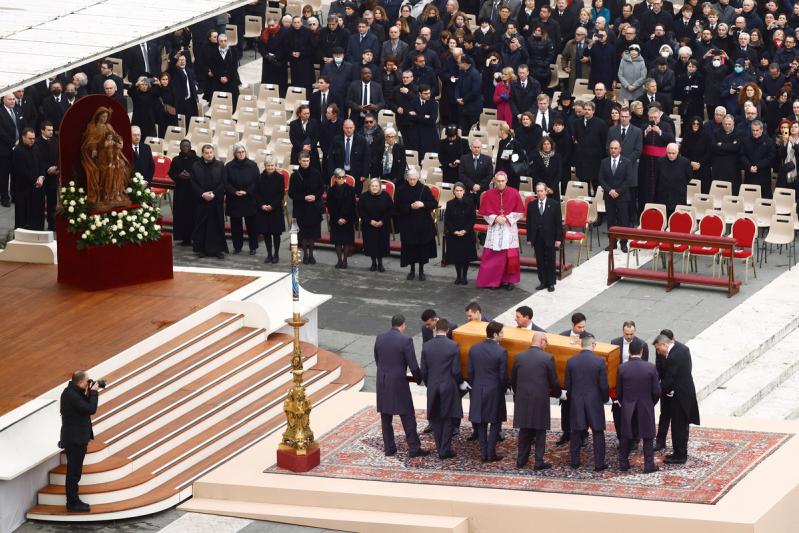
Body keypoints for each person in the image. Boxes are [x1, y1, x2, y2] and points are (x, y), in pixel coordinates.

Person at [374, 314, 428, 457]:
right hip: (398, 383)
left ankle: (389, 448)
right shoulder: (405, 340)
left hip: (382, 382)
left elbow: (377, 359)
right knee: (407, 415)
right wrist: (419, 379)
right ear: (402, 325)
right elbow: (413, 363)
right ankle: (414, 448)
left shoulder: (380, 337)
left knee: (386, 417)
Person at [512, 332, 560, 470]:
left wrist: (518, 394)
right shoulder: (548, 358)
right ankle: (538, 462)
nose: (547, 346)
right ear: (542, 342)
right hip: (540, 399)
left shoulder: (519, 357)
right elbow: (553, 380)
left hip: (523, 398)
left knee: (524, 429)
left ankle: (521, 460)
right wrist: (558, 394)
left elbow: (514, 379)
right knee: (540, 431)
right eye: (547, 343)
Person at [420, 318, 464, 459]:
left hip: (433, 386)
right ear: (448, 330)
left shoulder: (426, 346)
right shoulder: (453, 346)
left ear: (435, 328)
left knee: (436, 418)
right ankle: (444, 450)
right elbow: (456, 371)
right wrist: (460, 383)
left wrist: (429, 384)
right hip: (448, 386)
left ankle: (440, 448)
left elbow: (424, 371)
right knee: (448, 418)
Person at [653, 333, 700, 464]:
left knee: (678, 426)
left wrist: (656, 390)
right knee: (682, 426)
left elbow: (669, 379)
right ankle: (680, 452)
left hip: (679, 397)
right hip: (686, 392)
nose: (658, 352)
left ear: (664, 344)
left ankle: (680, 455)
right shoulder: (682, 348)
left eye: (658, 348)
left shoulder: (673, 357)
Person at [564, 334, 609, 471]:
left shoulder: (571, 361)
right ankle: (599, 464)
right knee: (598, 432)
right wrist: (604, 398)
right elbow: (603, 385)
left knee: (576, 432)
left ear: (581, 345)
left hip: (577, 401)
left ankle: (575, 462)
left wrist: (573, 397)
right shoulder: (599, 362)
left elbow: (568, 385)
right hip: (594, 402)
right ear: (593, 345)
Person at [617, 338, 661, 473]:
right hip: (645, 405)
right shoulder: (650, 367)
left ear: (629, 352)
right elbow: (656, 391)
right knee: (647, 436)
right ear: (642, 351)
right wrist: (650, 403)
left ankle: (623, 462)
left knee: (626, 435)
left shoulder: (622, 368)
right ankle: (649, 465)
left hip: (628, 406)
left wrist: (624, 402)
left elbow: (619, 391)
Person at [476, 172, 525, 290]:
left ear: (506, 180)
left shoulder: (514, 193)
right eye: (498, 181)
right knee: (493, 256)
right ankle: (493, 281)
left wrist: (507, 218)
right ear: (494, 181)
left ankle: (509, 281)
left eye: (503, 181)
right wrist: (495, 218)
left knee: (510, 257)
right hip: (495, 228)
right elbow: (485, 213)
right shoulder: (488, 194)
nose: (501, 183)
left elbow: (520, 212)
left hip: (509, 228)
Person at [59, 371, 100, 513]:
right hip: (75, 440)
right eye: (87, 381)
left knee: (74, 472)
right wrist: (94, 392)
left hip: (76, 438)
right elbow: (90, 409)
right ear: (81, 382)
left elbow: (84, 406)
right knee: (74, 473)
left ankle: (74, 500)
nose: (89, 383)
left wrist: (88, 391)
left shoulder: (72, 391)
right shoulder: (72, 395)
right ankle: (72, 503)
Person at [468, 321, 508, 462]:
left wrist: (476, 385)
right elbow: (503, 376)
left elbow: (470, 372)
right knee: (495, 423)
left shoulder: (474, 348)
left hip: (478, 389)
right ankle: (491, 453)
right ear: (495, 334)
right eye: (502, 333)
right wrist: (504, 389)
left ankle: (484, 453)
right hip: (495, 391)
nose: (503, 336)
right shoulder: (501, 351)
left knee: (481, 423)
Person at [610, 320, 650, 443]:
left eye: (631, 334)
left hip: (635, 385)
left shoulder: (642, 345)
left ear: (635, 331)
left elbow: (643, 366)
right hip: (619, 383)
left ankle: (635, 438)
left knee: (635, 412)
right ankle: (620, 437)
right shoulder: (614, 343)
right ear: (623, 331)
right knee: (618, 411)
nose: (629, 337)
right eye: (626, 334)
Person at [396, 168, 437, 280]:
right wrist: (410, 206)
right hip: (408, 224)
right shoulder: (401, 190)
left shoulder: (425, 188)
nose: (412, 181)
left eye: (414, 179)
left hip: (423, 224)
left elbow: (434, 203)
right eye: (410, 179)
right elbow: (397, 207)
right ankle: (412, 270)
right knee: (410, 248)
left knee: (422, 249)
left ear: (418, 178)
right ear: (407, 178)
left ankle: (421, 271)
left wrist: (422, 204)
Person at [598, 140, 636, 252]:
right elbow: (601, 178)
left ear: (620, 149)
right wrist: (610, 190)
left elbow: (628, 179)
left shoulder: (627, 162)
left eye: (615, 148)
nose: (613, 150)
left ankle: (623, 243)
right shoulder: (604, 162)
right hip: (609, 196)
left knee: (624, 220)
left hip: (622, 196)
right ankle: (612, 243)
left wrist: (618, 191)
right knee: (611, 220)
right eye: (611, 148)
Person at [191, 144, 227, 259]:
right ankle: (202, 249)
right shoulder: (196, 165)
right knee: (202, 225)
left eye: (211, 152)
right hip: (201, 200)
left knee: (217, 224)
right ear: (202, 154)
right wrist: (202, 194)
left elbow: (223, 182)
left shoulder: (220, 165)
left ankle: (218, 250)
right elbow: (193, 182)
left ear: (213, 153)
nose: (209, 155)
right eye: (206, 153)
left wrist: (214, 194)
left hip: (216, 200)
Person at [289, 151, 325, 264]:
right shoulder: (294, 176)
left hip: (313, 207)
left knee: (312, 234)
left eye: (307, 161)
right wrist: (304, 197)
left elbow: (321, 188)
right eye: (303, 161)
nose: (305, 163)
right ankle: (305, 255)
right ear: (299, 161)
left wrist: (315, 196)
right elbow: (291, 193)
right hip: (301, 208)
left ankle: (311, 255)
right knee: (303, 234)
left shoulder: (316, 173)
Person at [526, 182, 563, 292]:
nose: (540, 193)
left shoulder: (554, 204)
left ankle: (551, 283)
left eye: (542, 191)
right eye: (538, 191)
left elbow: (558, 224)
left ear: (546, 191)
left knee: (550, 260)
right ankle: (543, 281)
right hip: (537, 237)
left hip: (550, 237)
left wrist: (558, 239)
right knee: (540, 260)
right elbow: (529, 223)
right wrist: (529, 238)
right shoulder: (532, 205)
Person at [638, 105, 675, 212]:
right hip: (646, 161)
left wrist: (660, 132)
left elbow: (671, 138)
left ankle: (660, 211)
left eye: (655, 117)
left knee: (660, 185)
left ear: (659, 117)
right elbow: (638, 139)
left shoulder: (666, 125)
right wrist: (645, 132)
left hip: (661, 161)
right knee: (646, 185)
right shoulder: (644, 126)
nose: (653, 120)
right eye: (651, 118)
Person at [224, 144, 259, 255]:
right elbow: (226, 182)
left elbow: (256, 181)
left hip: (249, 199)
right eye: (238, 152)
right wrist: (234, 191)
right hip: (234, 198)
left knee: (251, 225)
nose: (241, 154)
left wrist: (247, 191)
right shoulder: (228, 166)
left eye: (243, 151)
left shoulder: (253, 165)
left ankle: (253, 247)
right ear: (234, 153)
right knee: (235, 225)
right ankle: (237, 247)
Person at [444, 182, 478, 285]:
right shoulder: (449, 203)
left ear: (464, 191)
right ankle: (458, 276)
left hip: (466, 233)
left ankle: (464, 276)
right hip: (454, 233)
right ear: (453, 191)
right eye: (457, 190)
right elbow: (447, 219)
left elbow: (472, 218)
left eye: (461, 190)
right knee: (456, 256)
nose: (459, 193)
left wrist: (465, 230)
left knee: (465, 256)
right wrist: (454, 231)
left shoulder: (470, 202)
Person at [168, 139, 200, 246]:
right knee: (181, 214)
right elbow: (171, 173)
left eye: (187, 145)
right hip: (181, 191)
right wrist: (179, 176)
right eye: (183, 146)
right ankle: (184, 238)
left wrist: (190, 176)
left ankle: (195, 237)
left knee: (193, 214)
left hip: (193, 191)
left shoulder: (197, 160)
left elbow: (201, 174)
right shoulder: (176, 160)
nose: (185, 147)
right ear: (180, 147)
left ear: (190, 147)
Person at [12, 128, 45, 230]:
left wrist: (41, 177)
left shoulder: (36, 148)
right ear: (23, 137)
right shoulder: (18, 151)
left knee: (36, 215)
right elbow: (21, 170)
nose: (32, 141)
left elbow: (41, 164)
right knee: (23, 216)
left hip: (36, 188)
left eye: (34, 138)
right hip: (23, 189)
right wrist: (35, 180)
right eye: (30, 138)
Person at [255, 157, 286, 264]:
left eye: (272, 165)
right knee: (266, 233)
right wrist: (262, 205)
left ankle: (276, 254)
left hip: (275, 209)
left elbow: (280, 194)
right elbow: (257, 194)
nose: (270, 167)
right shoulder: (259, 177)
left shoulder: (280, 178)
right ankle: (269, 254)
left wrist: (272, 206)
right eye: (268, 165)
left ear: (275, 166)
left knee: (276, 234)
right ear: (265, 166)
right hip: (263, 209)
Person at [359, 178, 393, 272]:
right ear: (369, 187)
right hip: (369, 225)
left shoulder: (386, 195)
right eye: (372, 186)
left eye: (376, 186)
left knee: (381, 245)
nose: (374, 188)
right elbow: (361, 211)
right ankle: (373, 263)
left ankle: (380, 263)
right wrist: (370, 221)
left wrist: (382, 221)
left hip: (382, 225)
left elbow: (390, 210)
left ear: (380, 187)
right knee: (371, 245)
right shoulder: (364, 196)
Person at [574, 101, 608, 194]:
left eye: (589, 109)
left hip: (596, 160)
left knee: (597, 184)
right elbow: (576, 138)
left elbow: (604, 141)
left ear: (593, 111)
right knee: (583, 186)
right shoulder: (577, 123)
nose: (587, 111)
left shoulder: (600, 123)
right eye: (585, 109)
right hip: (582, 160)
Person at [328, 169, 357, 268]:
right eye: (339, 177)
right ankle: (339, 260)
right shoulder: (331, 190)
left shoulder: (350, 189)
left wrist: (345, 218)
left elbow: (352, 206)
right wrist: (337, 218)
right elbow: (330, 206)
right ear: (335, 178)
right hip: (336, 219)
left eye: (343, 177)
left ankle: (345, 260)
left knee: (346, 241)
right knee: (337, 241)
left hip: (347, 219)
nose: (342, 179)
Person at [327, 120, 371, 187]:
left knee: (355, 195)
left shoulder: (361, 140)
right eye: (347, 128)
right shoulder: (336, 140)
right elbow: (331, 158)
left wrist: (364, 174)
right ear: (343, 128)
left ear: (354, 127)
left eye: (351, 128)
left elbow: (366, 158)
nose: (349, 130)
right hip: (339, 174)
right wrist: (332, 174)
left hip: (357, 174)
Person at [740, 120, 776, 199]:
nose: (755, 132)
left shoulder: (769, 141)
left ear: (762, 130)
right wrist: (749, 166)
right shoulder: (746, 140)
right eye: (753, 130)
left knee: (765, 200)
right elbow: (742, 155)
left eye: (757, 130)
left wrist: (758, 166)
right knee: (748, 200)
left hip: (764, 175)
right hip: (750, 175)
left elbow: (770, 157)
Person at [655, 143, 692, 218]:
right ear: (666, 151)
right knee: (663, 217)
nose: (671, 155)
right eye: (669, 153)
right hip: (663, 195)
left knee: (677, 218)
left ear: (678, 152)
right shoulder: (660, 161)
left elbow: (689, 177)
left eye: (673, 153)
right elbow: (657, 176)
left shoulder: (685, 162)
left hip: (678, 195)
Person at [36, 121, 59, 231]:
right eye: (48, 130)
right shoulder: (37, 142)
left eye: (51, 130)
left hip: (53, 177)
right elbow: (38, 159)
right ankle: (39, 225)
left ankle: (52, 224)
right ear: (42, 130)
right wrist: (46, 169)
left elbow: (59, 156)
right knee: (39, 202)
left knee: (52, 202)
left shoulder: (55, 141)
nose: (51, 132)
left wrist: (56, 167)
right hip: (42, 176)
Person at [205, 34, 240, 107]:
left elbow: (234, 66)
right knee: (218, 102)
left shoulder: (233, 51)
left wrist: (227, 77)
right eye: (221, 41)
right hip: (218, 80)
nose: (223, 43)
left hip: (230, 79)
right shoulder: (214, 52)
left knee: (233, 102)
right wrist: (220, 77)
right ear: (218, 42)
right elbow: (213, 67)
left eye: (225, 41)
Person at [406, 84, 439, 159]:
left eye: (429, 93)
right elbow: (410, 117)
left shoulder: (433, 104)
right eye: (425, 93)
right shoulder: (413, 102)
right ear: (420, 93)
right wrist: (424, 116)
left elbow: (432, 119)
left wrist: (417, 115)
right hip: (416, 133)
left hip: (429, 133)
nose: (428, 95)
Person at [458, 138, 493, 204]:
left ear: (481, 148)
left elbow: (490, 175)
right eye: (474, 147)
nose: (476, 149)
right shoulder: (464, 158)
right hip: (468, 190)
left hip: (482, 191)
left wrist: (479, 186)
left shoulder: (488, 159)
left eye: (478, 147)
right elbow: (461, 174)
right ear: (471, 147)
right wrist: (472, 185)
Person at [454, 55, 483, 134]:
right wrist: (457, 97)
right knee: (464, 130)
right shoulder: (461, 72)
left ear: (465, 63)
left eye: (459, 63)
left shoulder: (475, 74)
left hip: (473, 107)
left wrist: (463, 99)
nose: (458, 65)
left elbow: (475, 91)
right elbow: (458, 86)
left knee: (473, 132)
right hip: (463, 106)